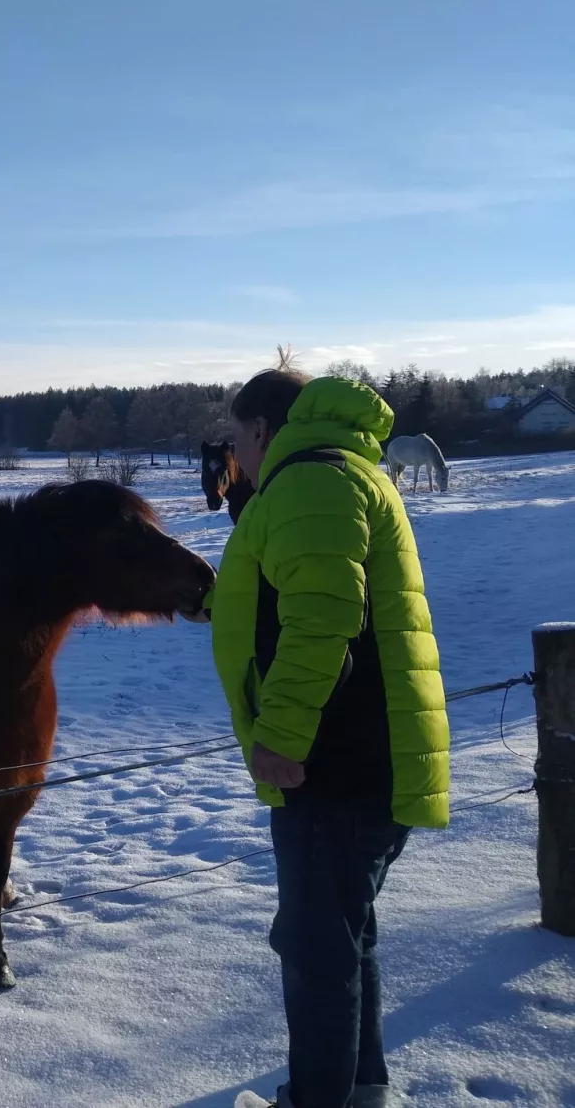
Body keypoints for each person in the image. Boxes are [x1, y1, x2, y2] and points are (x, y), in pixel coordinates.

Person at [209, 370, 450, 1108]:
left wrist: (279, 736)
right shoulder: (338, 473)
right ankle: (360, 1088)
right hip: (362, 760)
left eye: (237, 437)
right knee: (344, 939)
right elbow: (297, 596)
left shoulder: (310, 482)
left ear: (260, 429)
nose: (234, 458)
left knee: (318, 955)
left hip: (333, 765)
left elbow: (320, 622)